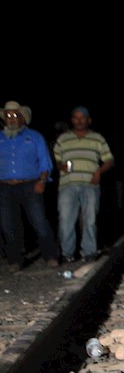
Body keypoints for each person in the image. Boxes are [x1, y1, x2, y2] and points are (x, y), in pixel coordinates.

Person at [0, 101, 60, 270]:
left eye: (15, 115)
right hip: (4, 187)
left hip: (30, 185)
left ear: (22, 117)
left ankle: (50, 255)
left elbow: (45, 162)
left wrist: (42, 181)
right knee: (7, 224)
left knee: (39, 221)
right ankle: (15, 260)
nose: (11, 119)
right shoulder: (0, 138)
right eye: (8, 116)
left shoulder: (34, 137)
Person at [52, 106, 115, 263]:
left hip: (90, 184)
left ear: (88, 120)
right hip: (68, 184)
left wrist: (99, 172)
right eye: (75, 117)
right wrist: (60, 167)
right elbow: (55, 160)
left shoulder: (97, 138)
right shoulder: (63, 139)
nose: (79, 121)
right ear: (72, 120)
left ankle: (89, 252)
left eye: (82, 118)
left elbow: (109, 160)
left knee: (90, 219)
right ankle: (68, 253)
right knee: (66, 220)